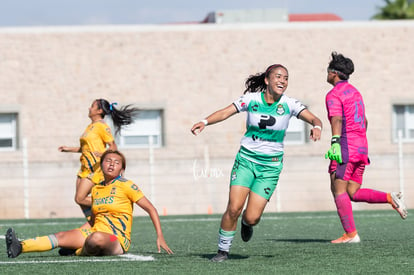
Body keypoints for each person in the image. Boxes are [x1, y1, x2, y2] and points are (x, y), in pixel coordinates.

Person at [191, 64, 323, 262]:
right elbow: (225, 112)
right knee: (234, 207)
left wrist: (317, 127)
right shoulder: (251, 99)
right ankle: (222, 251)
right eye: (278, 77)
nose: (282, 81)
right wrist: (205, 121)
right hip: (246, 161)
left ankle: (246, 223)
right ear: (267, 80)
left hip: (270, 167)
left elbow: (314, 118)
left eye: (286, 78)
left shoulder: (289, 104)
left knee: (252, 217)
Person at [6, 150, 173, 258]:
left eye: (116, 162)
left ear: (122, 170)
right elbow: (95, 218)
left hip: (117, 238)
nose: (112, 163)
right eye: (108, 160)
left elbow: (151, 209)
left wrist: (160, 235)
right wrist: (78, 232)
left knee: (96, 239)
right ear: (102, 165)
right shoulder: (97, 188)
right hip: (94, 230)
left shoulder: (127, 185)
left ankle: (78, 251)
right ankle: (20, 246)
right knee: (62, 236)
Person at [324, 52, 408, 244]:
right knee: (352, 192)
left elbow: (337, 118)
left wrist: (336, 142)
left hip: (345, 147)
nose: (327, 74)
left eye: (328, 71)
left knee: (337, 189)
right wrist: (358, 141)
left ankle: (351, 234)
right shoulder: (355, 92)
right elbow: (365, 120)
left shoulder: (333, 94)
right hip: (361, 147)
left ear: (334, 73)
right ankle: (389, 197)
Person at [58, 99, 139, 222]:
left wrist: (103, 154)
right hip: (84, 168)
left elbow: (113, 147)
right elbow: (87, 148)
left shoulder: (102, 126)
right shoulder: (90, 127)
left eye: (92, 106)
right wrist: (68, 149)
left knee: (80, 198)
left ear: (99, 111)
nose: (89, 108)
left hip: (95, 168)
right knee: (80, 201)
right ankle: (94, 224)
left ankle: (111, 204)